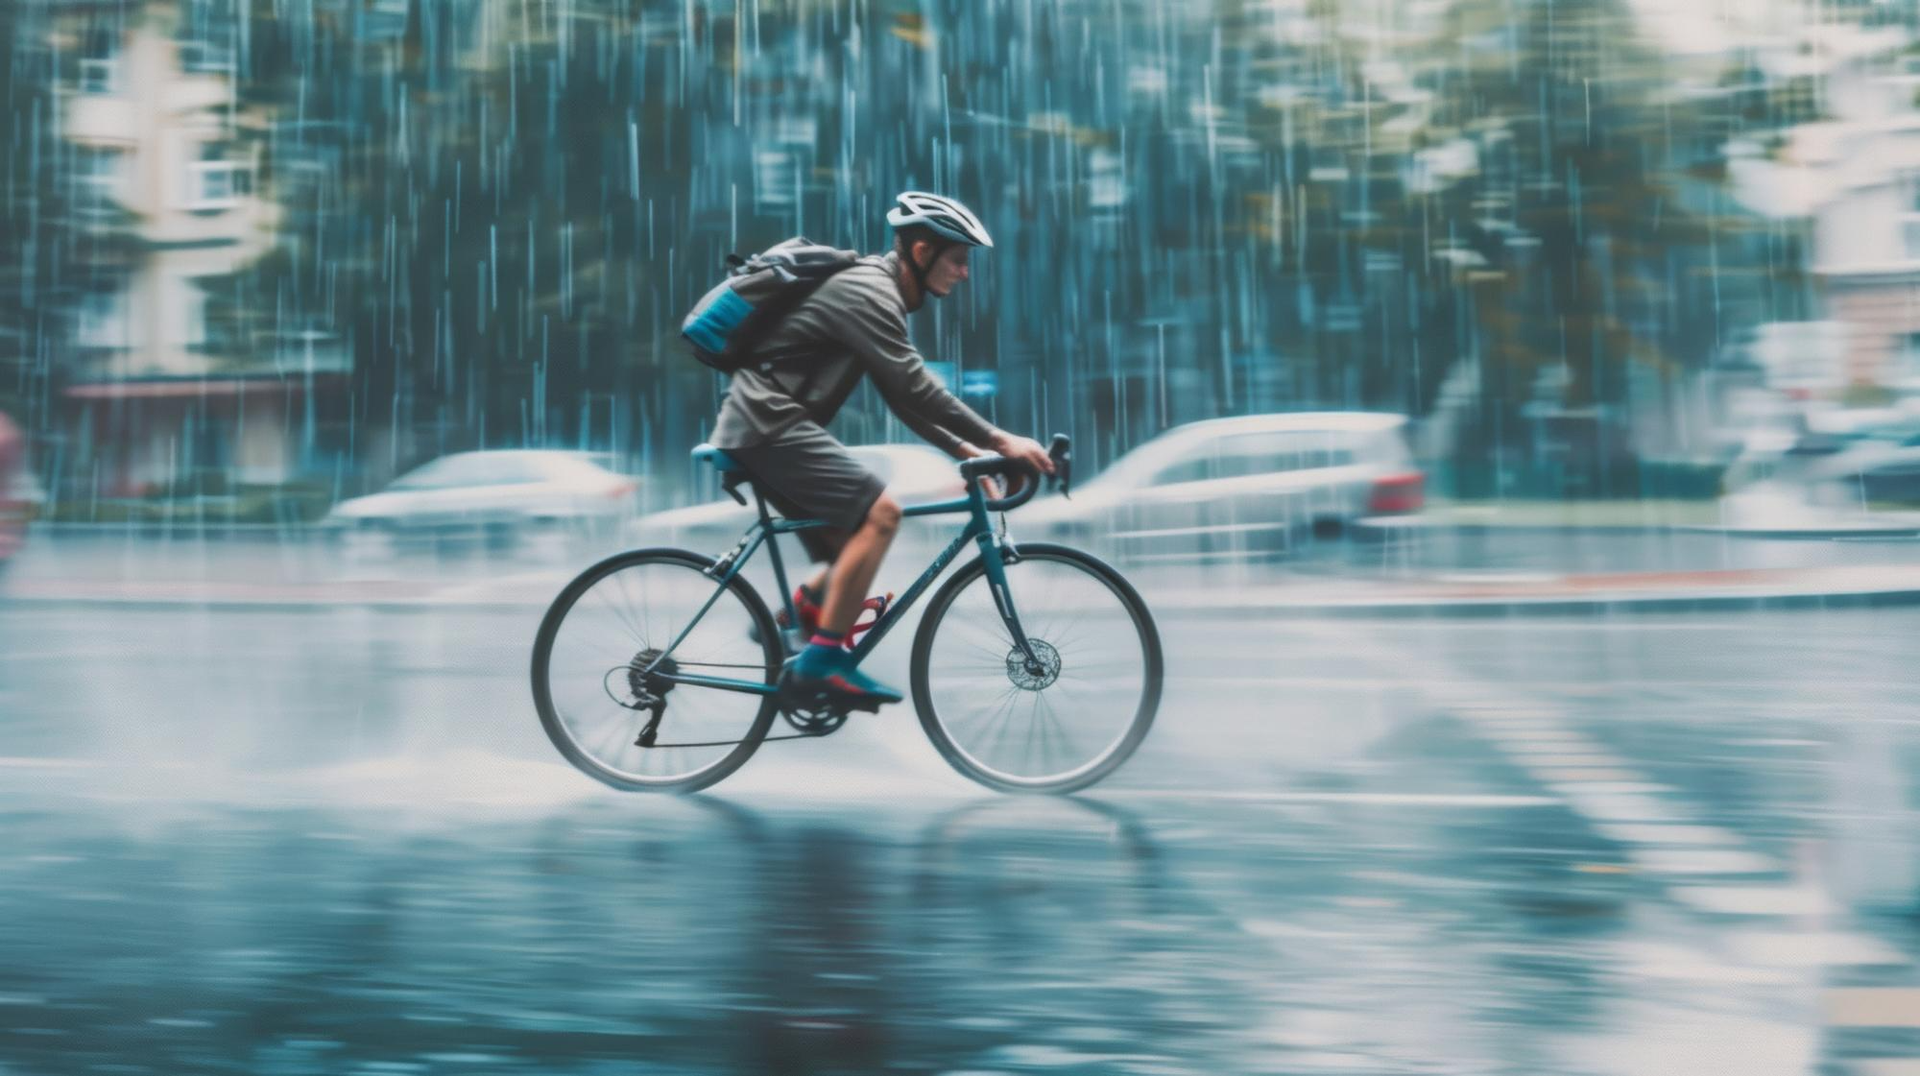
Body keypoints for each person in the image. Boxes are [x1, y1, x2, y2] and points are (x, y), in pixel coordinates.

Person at [708, 191, 1054, 707]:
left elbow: (901, 397)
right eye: (958, 260)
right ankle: (822, 662)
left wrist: (966, 452)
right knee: (882, 514)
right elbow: (916, 388)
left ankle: (793, 625)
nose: (964, 274)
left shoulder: (876, 293)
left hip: (767, 427)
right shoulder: (870, 292)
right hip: (769, 427)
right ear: (921, 252)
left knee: (848, 549)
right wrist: (1001, 440)